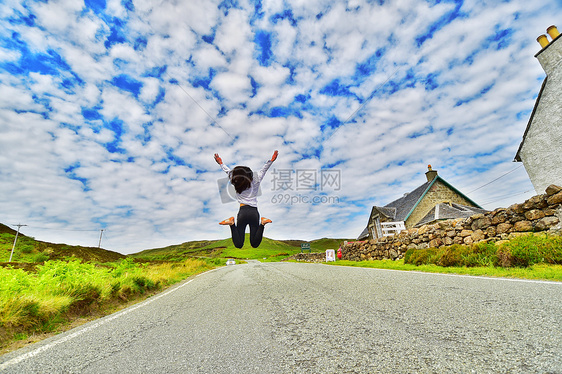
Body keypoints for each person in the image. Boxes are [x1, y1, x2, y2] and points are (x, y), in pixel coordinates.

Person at [214, 150, 278, 248]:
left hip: (242, 212)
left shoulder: (236, 181)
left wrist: (221, 163)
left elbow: (228, 171)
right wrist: (271, 160)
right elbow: (264, 169)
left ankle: (231, 223)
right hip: (253, 213)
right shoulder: (256, 180)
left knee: (239, 244)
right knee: (254, 244)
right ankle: (263, 223)